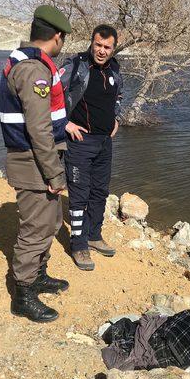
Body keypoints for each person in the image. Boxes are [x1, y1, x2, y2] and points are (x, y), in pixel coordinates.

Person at [0, 5, 72, 323]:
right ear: (56, 36)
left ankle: (38, 274)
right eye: (63, 38)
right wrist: (55, 173)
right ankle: (23, 294)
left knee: (50, 221)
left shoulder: (31, 63)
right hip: (33, 162)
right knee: (36, 228)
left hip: (38, 159)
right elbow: (38, 129)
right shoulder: (33, 70)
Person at [60, 24, 123, 271]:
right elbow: (50, 94)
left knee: (99, 192)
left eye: (107, 47)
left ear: (113, 48)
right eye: (98, 45)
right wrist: (65, 124)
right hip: (79, 143)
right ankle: (78, 245)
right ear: (91, 42)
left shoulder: (115, 68)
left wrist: (117, 118)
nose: (101, 51)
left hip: (104, 142)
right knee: (79, 195)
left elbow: (119, 95)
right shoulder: (76, 65)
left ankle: (94, 235)